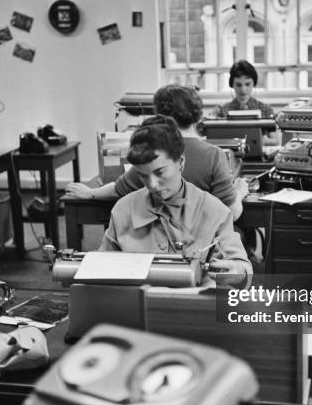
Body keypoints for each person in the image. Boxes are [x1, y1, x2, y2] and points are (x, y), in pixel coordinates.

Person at [99, 117, 252, 287]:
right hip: (136, 304)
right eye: (143, 176)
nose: (153, 185)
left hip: (193, 306)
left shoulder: (215, 211)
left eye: (160, 172)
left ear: (181, 162)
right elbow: (101, 269)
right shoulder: (123, 209)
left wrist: (238, 273)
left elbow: (241, 268)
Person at [66, 85, 249, 220]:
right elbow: (232, 213)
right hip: (200, 242)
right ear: (198, 115)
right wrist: (239, 192)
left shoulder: (151, 150)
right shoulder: (214, 155)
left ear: (160, 114)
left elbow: (118, 189)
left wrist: (91, 193)